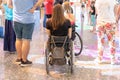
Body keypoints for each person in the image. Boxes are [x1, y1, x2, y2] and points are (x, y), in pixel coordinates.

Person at [8, 0, 43, 66]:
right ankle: (24, 60)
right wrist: (34, 7)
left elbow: (9, 5)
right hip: (28, 19)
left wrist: (18, 9)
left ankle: (19, 58)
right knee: (26, 40)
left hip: (16, 19)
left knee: (18, 39)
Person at [95, 0, 117, 64]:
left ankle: (99, 59)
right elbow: (115, 12)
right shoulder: (113, 1)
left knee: (100, 42)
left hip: (100, 23)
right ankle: (112, 59)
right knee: (111, 41)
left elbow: (97, 13)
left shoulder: (97, 1)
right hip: (111, 23)